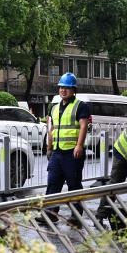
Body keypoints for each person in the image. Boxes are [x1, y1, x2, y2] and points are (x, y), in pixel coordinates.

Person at [44, 72, 90, 219]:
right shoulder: (54, 107)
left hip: (72, 152)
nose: (63, 90)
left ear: (74, 90)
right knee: (52, 184)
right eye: (61, 87)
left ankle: (76, 215)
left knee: (74, 184)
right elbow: (51, 128)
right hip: (57, 152)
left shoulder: (80, 106)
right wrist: (49, 147)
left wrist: (79, 146)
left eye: (67, 88)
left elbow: (83, 126)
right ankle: (50, 214)